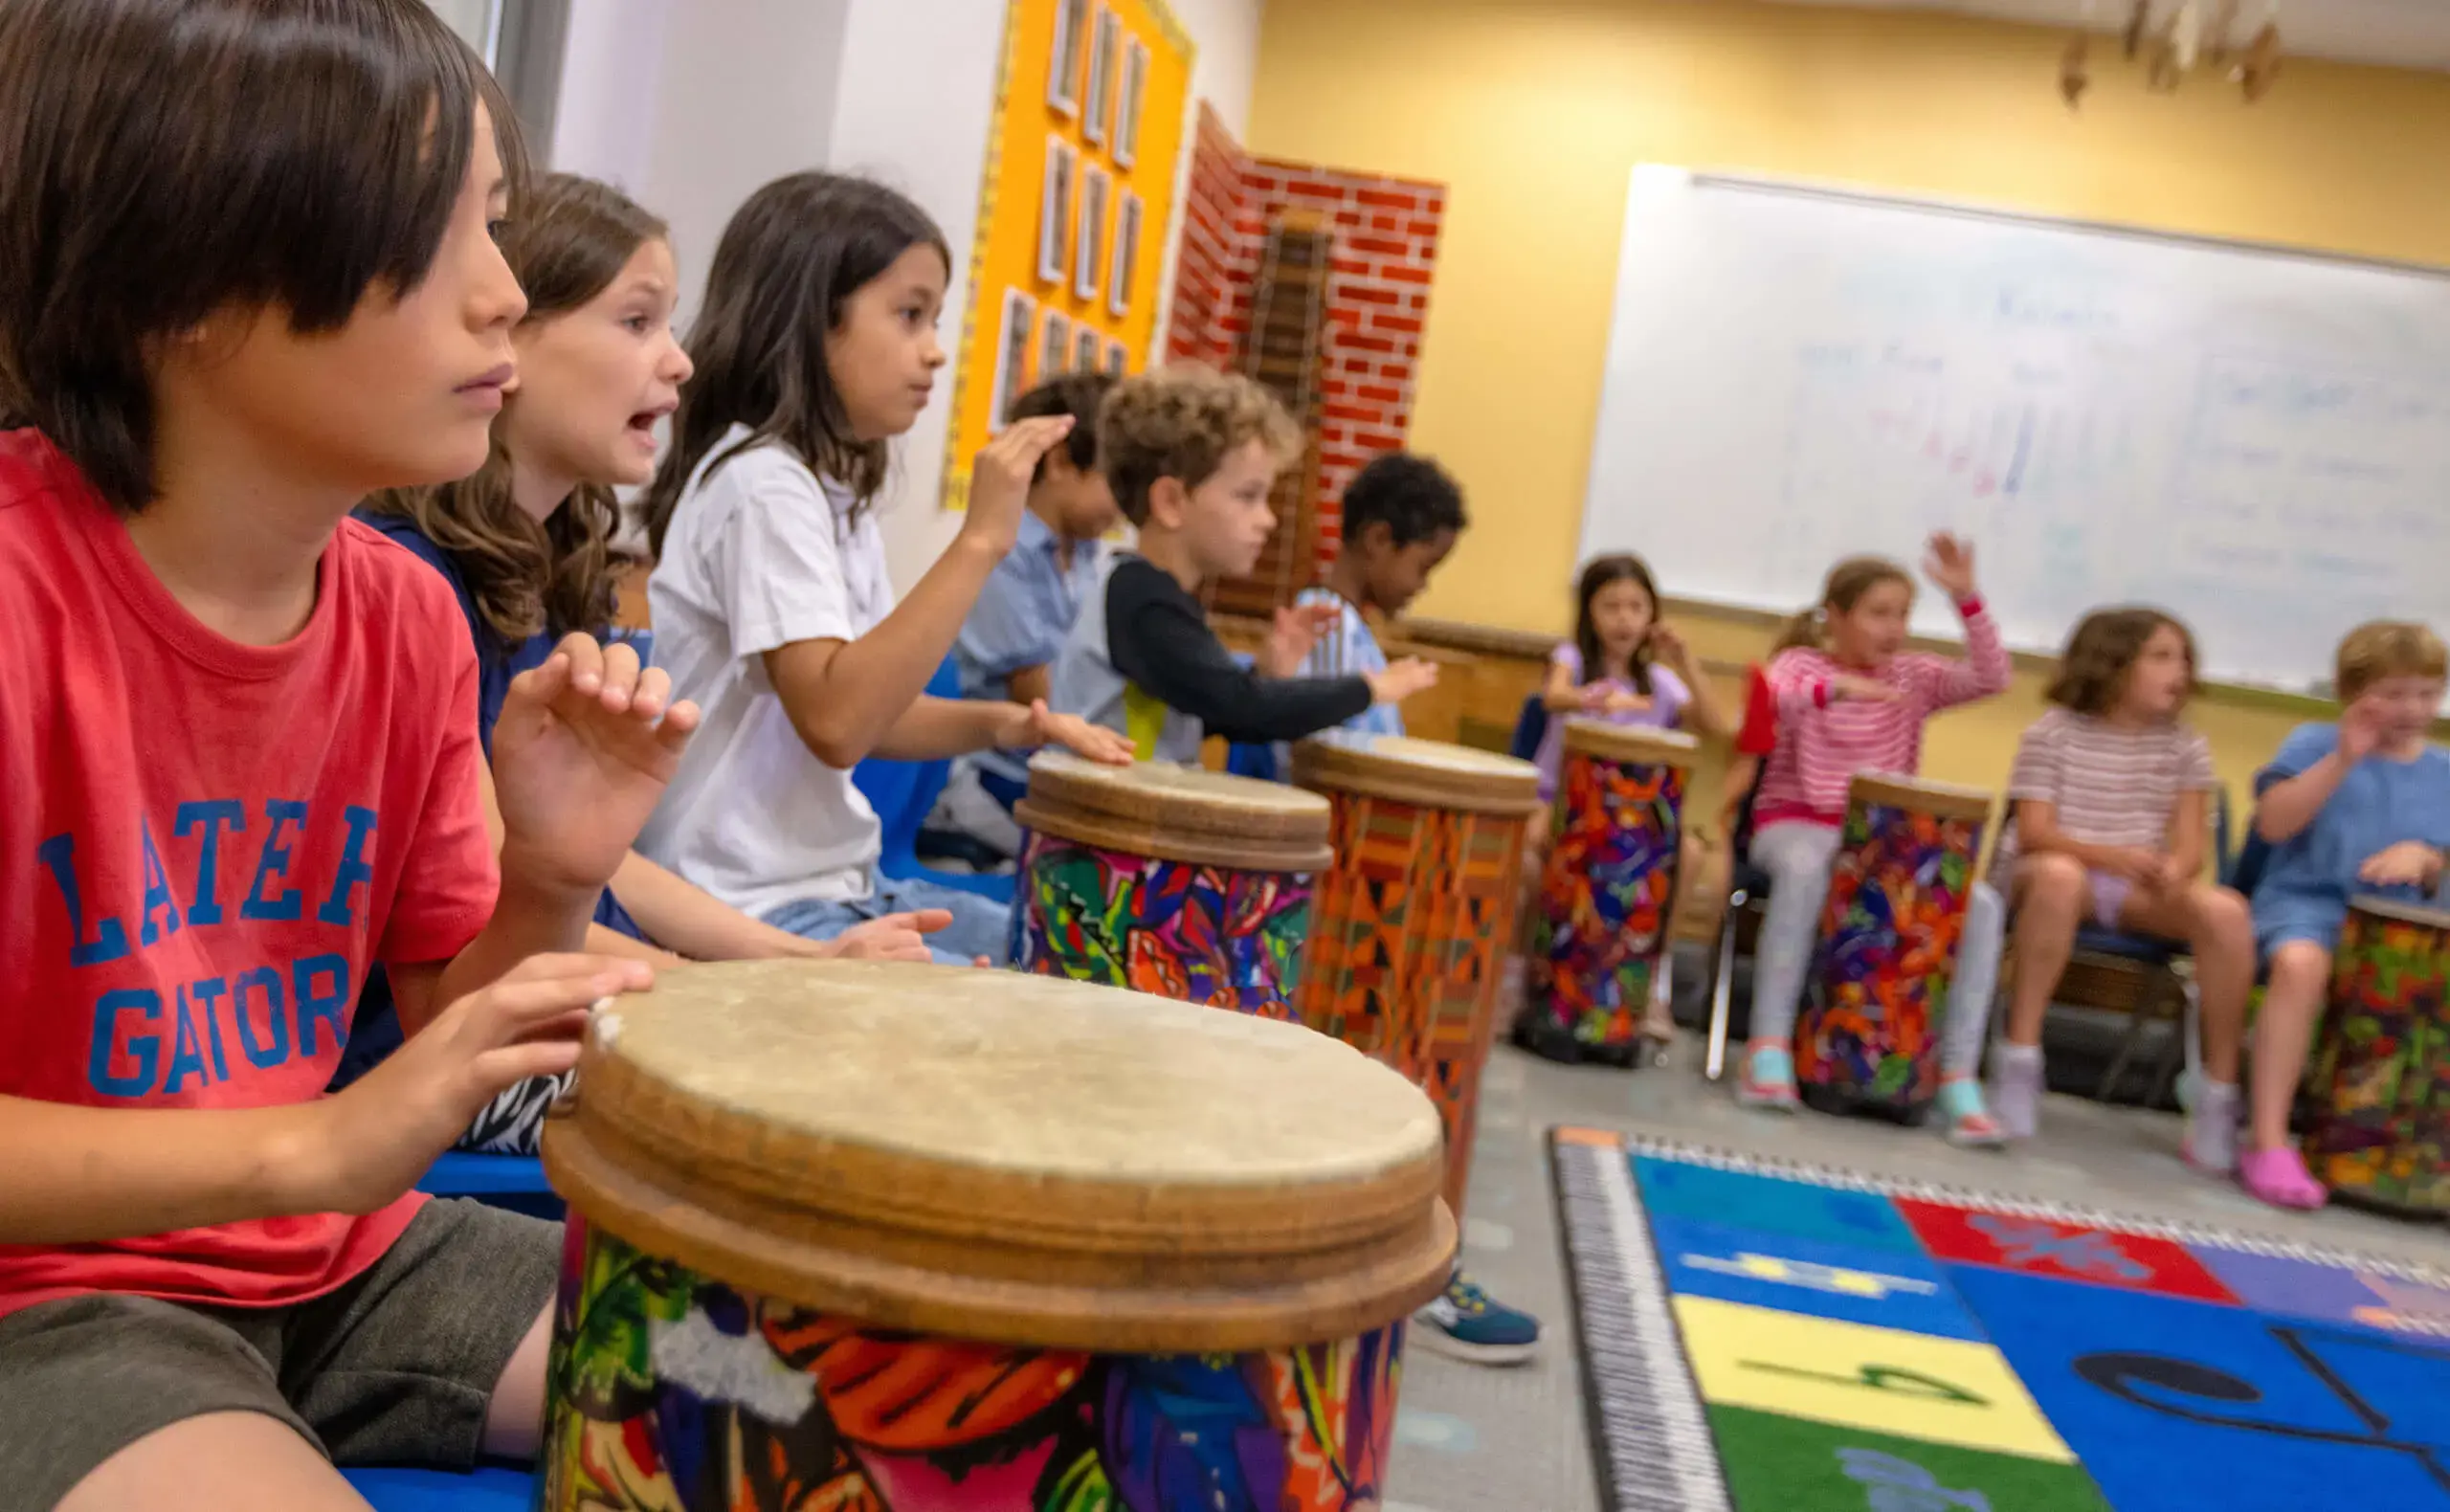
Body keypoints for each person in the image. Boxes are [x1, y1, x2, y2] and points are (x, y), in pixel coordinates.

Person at [0, 4, 680, 1504]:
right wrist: (306, 1152)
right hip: (45, 1305)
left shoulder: (409, 620)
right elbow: (335, 1139)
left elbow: (448, 1011)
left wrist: (556, 879)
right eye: (439, 237)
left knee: (810, 1409)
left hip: (346, 1260)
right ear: (184, 279)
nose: (505, 296)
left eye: (496, 228)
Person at [339, 172, 940, 1153]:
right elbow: (503, 900)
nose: (680, 361)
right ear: (511, 337)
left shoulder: (555, 576)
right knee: (856, 1110)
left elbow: (598, 861)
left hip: (570, 993)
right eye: (636, 321)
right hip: (452, 1042)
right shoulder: (411, 579)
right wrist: (765, 990)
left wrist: (805, 961)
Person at [636, 172, 1131, 966]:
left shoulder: (831, 494)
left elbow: (876, 713)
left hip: (836, 887)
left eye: (934, 318)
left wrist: (1007, 725)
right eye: (909, 315)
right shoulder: (762, 484)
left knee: (1080, 958)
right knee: (1048, 998)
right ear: (810, 320)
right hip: (743, 905)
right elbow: (837, 723)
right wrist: (978, 543)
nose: (935, 349)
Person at [1284, 451, 1537, 1367]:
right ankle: (1397, 1259)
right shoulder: (1326, 630)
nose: (1421, 587)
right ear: (1378, 539)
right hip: (1352, 890)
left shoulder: (1352, 630)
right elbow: (1336, 763)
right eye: (1421, 566)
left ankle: (1413, 1247)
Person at [1737, 537, 2013, 1145]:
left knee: (1982, 904)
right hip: (1796, 824)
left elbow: (1995, 677)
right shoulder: (1804, 665)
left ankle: (1958, 1076)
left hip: (1882, 842)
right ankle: (1768, 1048)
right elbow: (1772, 695)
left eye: (1902, 615)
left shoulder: (1914, 676)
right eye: (1877, 613)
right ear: (1835, 616)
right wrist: (1838, 690)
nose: (1893, 629)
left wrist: (1966, 598)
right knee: (1807, 872)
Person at [1048, 366, 1438, 760]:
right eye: (1248, 496)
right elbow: (1240, 706)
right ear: (1171, 502)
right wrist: (1368, 688)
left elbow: (1211, 710)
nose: (1267, 519)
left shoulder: (1154, 595)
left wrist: (1266, 673)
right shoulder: (1142, 600)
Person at [1988, 608, 2252, 1166]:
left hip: (2134, 885)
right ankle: (2020, 1057)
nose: (2177, 671)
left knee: (2225, 910)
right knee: (2060, 880)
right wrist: (2112, 856)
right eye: (2160, 657)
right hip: (2052, 870)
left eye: (2183, 658)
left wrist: (2174, 871)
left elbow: (2190, 847)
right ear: (2111, 663)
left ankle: (2218, 1095)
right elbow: (2034, 834)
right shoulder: (2052, 733)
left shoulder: (2184, 746)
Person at [2240, 621, 2450, 1210]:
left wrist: (2430, 859)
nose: (2412, 709)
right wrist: (2343, 757)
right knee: (2302, 966)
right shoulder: (2312, 744)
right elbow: (2274, 826)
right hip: (2309, 906)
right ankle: (2269, 1139)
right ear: (2352, 691)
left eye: (2427, 694)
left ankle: (2410, 1147)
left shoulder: (2443, 771)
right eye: (2394, 693)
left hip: (2404, 933)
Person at [937, 372, 1122, 858]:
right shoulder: (1006, 549)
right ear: (1061, 462)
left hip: (1047, 762)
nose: (1125, 503)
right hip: (994, 772)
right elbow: (1042, 699)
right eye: (1116, 478)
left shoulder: (1085, 553)